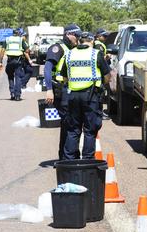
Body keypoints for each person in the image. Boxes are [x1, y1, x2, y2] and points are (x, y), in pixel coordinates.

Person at [57, 31, 111, 159]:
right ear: (92, 41)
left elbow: (64, 77)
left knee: (73, 130)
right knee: (90, 130)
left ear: (79, 41)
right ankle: (87, 161)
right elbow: (107, 76)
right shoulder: (96, 54)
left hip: (72, 96)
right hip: (91, 96)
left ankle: (70, 160)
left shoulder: (69, 54)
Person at [44, 23, 81, 160]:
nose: (77, 38)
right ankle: (67, 157)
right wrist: (49, 90)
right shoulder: (58, 48)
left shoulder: (73, 48)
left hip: (70, 90)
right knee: (69, 123)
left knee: (68, 123)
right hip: (60, 89)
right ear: (68, 34)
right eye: (76, 35)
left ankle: (66, 156)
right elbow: (47, 68)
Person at [0, 28, 31, 101]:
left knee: (10, 77)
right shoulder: (20, 40)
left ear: (12, 33)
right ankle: (17, 96)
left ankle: (12, 93)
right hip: (18, 61)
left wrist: (0, 62)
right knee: (18, 78)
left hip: (10, 61)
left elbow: (2, 51)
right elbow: (27, 50)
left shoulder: (7, 39)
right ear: (18, 34)